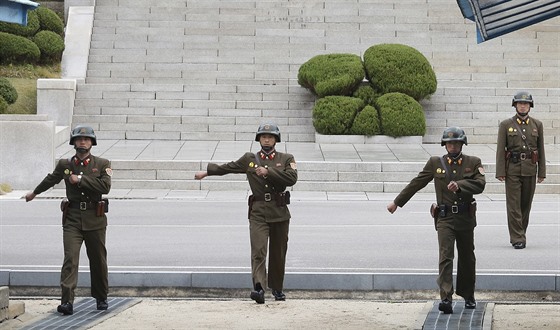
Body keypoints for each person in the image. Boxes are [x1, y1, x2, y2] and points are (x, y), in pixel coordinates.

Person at [386, 127, 486, 314]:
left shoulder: (473, 162)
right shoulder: (435, 163)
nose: (453, 146)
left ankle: (468, 294)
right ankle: (446, 298)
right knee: (445, 256)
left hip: (465, 217)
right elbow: (417, 182)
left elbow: (480, 184)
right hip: (445, 218)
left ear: (462, 144)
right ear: (444, 145)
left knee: (467, 257)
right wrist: (397, 202)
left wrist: (460, 186)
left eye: (456, 143)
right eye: (449, 143)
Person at [195, 123, 297, 304]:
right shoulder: (250, 159)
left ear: (276, 140)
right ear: (259, 139)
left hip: (280, 212)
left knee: (278, 252)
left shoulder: (286, 158)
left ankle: (277, 288)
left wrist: (269, 171)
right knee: (258, 250)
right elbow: (228, 167)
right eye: (263, 136)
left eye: (270, 137)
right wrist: (207, 172)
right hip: (258, 212)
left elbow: (292, 178)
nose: (266, 139)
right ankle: (259, 288)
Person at [25, 125, 112, 315]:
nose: (83, 142)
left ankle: (101, 297)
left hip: (95, 219)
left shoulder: (102, 163)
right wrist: (34, 193)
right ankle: (67, 301)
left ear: (92, 143)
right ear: (73, 142)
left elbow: (105, 186)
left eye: (87, 139)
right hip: (72, 218)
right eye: (79, 139)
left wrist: (79, 179)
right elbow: (51, 179)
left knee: (98, 259)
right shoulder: (65, 165)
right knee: (70, 259)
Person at [496, 91, 546, 250]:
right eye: (520, 103)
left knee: (526, 204)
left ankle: (520, 232)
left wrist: (542, 172)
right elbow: (500, 149)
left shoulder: (537, 125)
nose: (523, 106)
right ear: (515, 105)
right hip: (513, 169)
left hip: (530, 169)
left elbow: (541, 149)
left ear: (530, 106)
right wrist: (500, 171)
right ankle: (517, 237)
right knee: (513, 205)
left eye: (526, 104)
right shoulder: (506, 125)